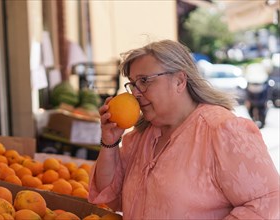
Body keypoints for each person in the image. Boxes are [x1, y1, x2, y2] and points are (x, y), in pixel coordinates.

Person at [88, 39, 279, 219]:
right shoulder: (140, 138)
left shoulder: (222, 131)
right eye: (133, 84)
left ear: (179, 80)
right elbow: (110, 195)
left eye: (144, 81)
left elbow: (268, 203)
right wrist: (110, 142)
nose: (136, 93)